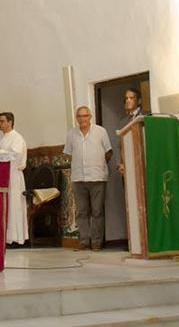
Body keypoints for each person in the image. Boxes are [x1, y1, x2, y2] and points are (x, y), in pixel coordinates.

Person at [63, 106, 112, 251]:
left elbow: (109, 151)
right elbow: (68, 153)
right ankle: (84, 241)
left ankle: (96, 241)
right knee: (81, 212)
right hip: (79, 178)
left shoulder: (100, 131)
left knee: (97, 211)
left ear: (90, 117)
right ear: (76, 118)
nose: (82, 119)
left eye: (85, 116)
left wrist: (99, 165)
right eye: (79, 116)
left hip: (97, 177)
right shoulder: (71, 134)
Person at [0, 112, 28, 248]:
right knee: (7, 206)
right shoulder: (4, 138)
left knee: (14, 206)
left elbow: (16, 157)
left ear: (10, 122)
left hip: (14, 176)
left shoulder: (17, 138)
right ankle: (6, 238)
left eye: (2, 121)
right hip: (4, 176)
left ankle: (16, 239)